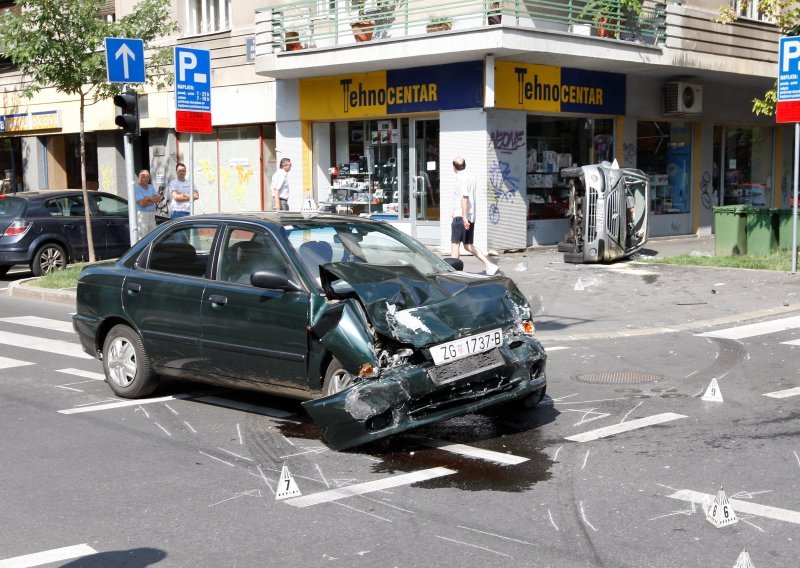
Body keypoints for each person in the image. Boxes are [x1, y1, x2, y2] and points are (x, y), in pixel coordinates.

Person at [450, 156, 499, 275]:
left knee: (455, 244)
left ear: (454, 167)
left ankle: (453, 273)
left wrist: (463, 216)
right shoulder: (471, 176)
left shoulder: (460, 177)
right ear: (464, 165)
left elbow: (464, 197)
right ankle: (490, 265)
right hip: (470, 216)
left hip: (462, 217)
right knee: (468, 245)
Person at [135, 169, 161, 238]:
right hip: (142, 215)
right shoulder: (136, 188)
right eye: (143, 177)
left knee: (152, 236)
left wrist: (148, 198)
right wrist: (153, 199)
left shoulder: (151, 187)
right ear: (139, 177)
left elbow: (158, 199)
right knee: (143, 236)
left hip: (152, 214)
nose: (146, 179)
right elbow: (142, 203)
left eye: (148, 177)